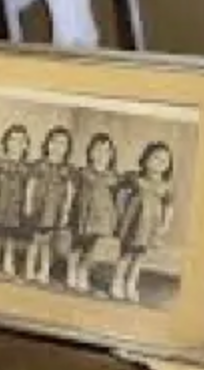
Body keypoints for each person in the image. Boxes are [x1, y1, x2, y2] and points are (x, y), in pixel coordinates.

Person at [111, 141, 175, 303]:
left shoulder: (165, 187)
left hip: (150, 226)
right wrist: (120, 212)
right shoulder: (134, 178)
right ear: (145, 159)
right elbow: (118, 192)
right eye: (156, 157)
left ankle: (131, 283)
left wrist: (165, 225)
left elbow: (169, 208)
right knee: (126, 254)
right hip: (133, 223)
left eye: (164, 160)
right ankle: (117, 281)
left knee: (139, 256)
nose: (160, 162)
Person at [66, 132, 119, 293]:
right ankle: (72, 270)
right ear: (90, 152)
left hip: (101, 218)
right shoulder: (82, 172)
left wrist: (113, 219)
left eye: (106, 151)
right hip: (81, 215)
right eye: (97, 149)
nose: (101, 154)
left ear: (111, 155)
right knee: (76, 245)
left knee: (92, 248)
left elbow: (115, 199)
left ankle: (83, 271)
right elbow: (72, 191)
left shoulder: (113, 177)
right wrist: (67, 209)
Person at [23, 126, 76, 285]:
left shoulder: (67, 169)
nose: (57, 146)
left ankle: (44, 270)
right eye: (54, 142)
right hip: (38, 207)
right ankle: (29, 268)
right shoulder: (39, 164)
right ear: (47, 144)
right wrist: (28, 203)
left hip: (54, 210)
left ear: (67, 148)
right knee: (34, 240)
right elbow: (31, 185)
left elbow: (70, 192)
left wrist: (66, 211)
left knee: (47, 242)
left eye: (62, 143)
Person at [0, 123, 31, 277]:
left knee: (11, 234)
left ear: (26, 145)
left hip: (16, 205)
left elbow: (29, 188)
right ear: (6, 142)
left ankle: (9, 258)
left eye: (20, 141)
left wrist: (26, 205)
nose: (16, 144)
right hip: (0, 201)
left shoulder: (26, 167)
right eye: (12, 139)